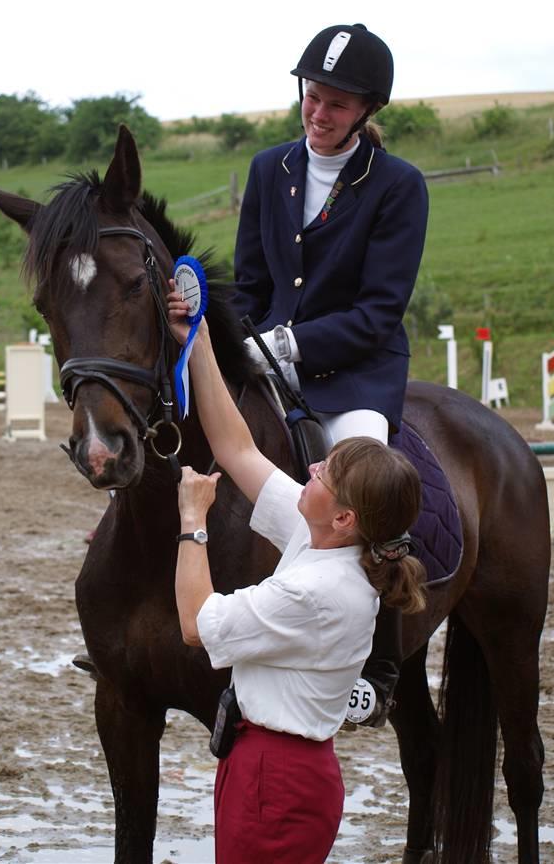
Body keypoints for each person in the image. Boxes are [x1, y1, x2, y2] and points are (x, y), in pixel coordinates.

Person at [166, 302, 426, 864]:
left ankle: (382, 681)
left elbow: (195, 625)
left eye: (325, 475)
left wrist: (193, 523)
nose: (311, 469)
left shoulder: (317, 593)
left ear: (344, 518)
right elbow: (237, 450)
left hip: (275, 780)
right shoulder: (326, 540)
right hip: (265, 765)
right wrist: (201, 342)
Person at [230, 23, 429, 724]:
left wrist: (287, 345)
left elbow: (379, 311)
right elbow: (250, 285)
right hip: (266, 359)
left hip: (354, 371)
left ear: (368, 110)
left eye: (337, 105)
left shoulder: (398, 186)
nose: (319, 114)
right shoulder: (268, 169)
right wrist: (216, 323)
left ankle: (375, 671)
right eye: (313, 96)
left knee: (369, 477)